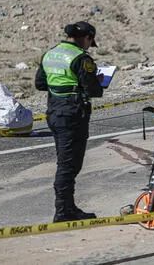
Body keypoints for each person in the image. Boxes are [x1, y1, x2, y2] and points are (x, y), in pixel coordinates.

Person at [35, 21, 104, 222]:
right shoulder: (82, 58)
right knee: (68, 165)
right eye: (90, 42)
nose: (89, 46)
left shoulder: (50, 53)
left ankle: (69, 207)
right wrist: (97, 82)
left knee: (65, 161)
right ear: (88, 38)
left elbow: (40, 84)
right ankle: (63, 211)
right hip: (73, 115)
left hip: (54, 112)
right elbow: (93, 90)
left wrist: (62, 84)